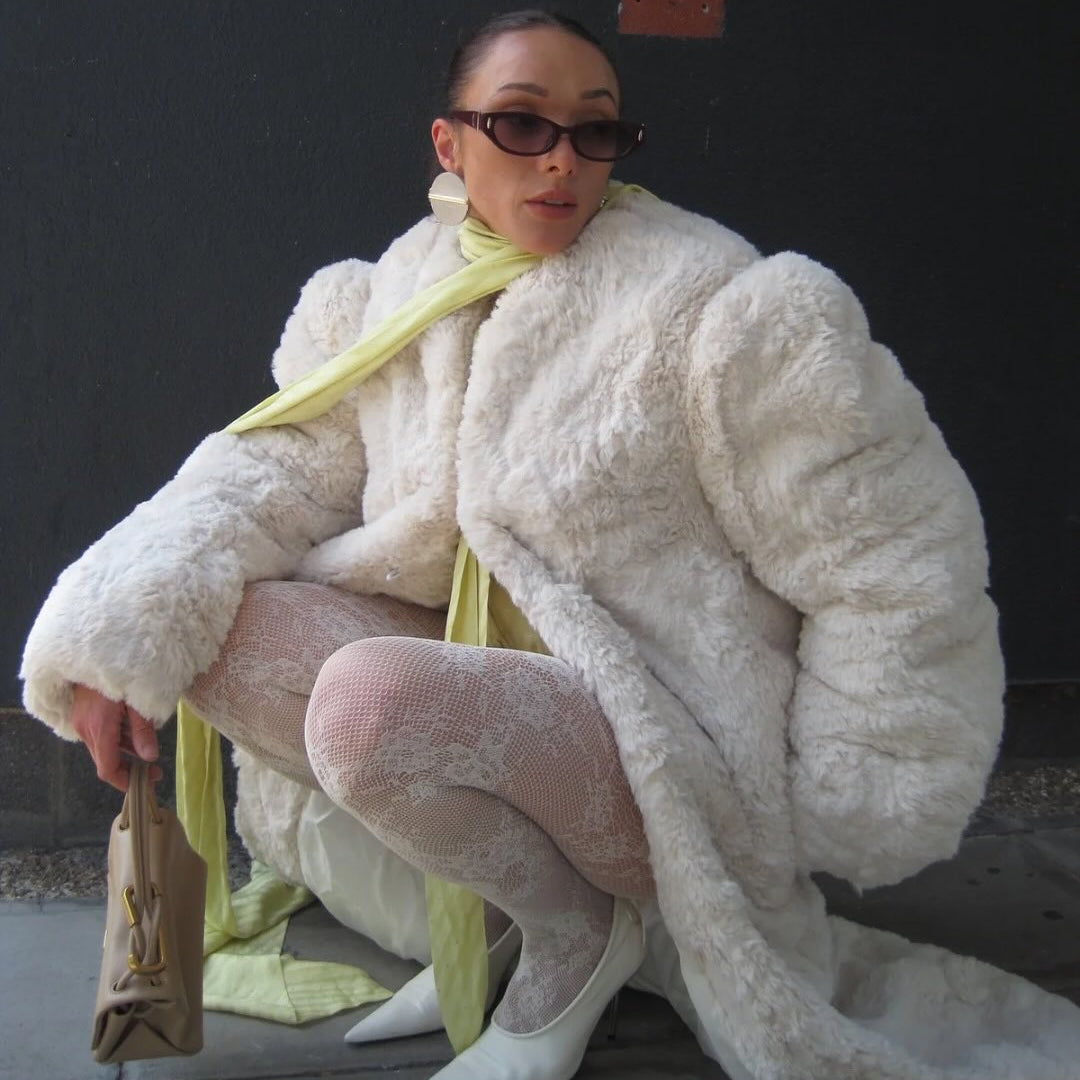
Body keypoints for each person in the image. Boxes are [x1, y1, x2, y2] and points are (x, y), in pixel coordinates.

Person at [20, 10, 1080, 1080]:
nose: (563, 159)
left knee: (370, 702)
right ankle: (511, 915)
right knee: (220, 632)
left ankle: (577, 941)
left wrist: (849, 790)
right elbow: (275, 468)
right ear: (450, 143)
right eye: (522, 124)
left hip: (656, 736)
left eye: (595, 130)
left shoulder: (718, 307)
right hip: (470, 697)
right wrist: (119, 632)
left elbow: (888, 551)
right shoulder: (389, 295)